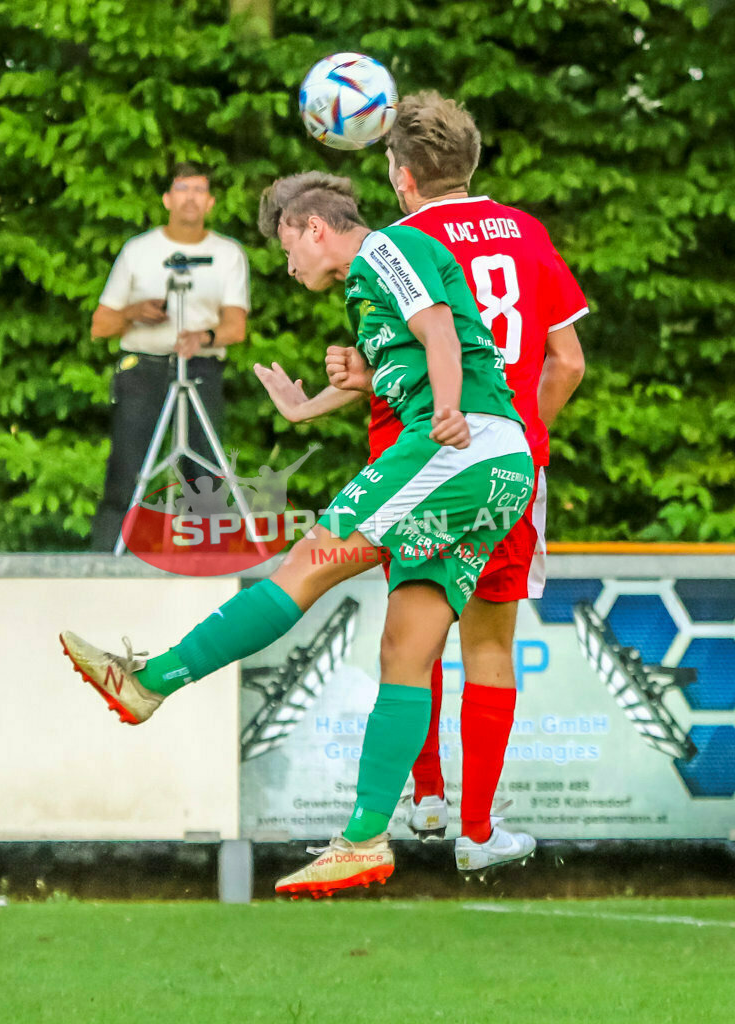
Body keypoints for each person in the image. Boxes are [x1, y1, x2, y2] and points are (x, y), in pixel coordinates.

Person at [61, 173, 534, 897]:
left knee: (306, 563)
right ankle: (366, 838)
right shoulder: (366, 290)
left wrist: (444, 410)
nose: (287, 266)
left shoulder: (388, 247)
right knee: (405, 648)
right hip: (499, 473)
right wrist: (307, 406)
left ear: (315, 227)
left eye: (287, 247)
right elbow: (403, 358)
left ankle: (149, 682)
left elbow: (438, 327)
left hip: (457, 449)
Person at [255, 91, 587, 873]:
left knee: (414, 630)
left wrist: (348, 376)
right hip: (509, 461)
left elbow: (393, 360)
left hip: (418, 456)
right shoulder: (527, 233)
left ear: (401, 177)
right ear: (470, 163)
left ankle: (425, 797)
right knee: (491, 645)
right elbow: (568, 361)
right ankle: (479, 830)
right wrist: (523, 438)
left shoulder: (391, 244)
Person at [90, 161, 250, 551]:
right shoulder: (139, 250)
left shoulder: (227, 254)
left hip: (199, 368)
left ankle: (210, 565)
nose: (190, 198)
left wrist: (204, 337)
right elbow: (100, 325)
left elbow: (236, 327)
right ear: (167, 198)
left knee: (206, 475)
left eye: (199, 190)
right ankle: (104, 564)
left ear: (211, 201)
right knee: (127, 472)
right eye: (182, 188)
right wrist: (135, 312)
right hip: (143, 370)